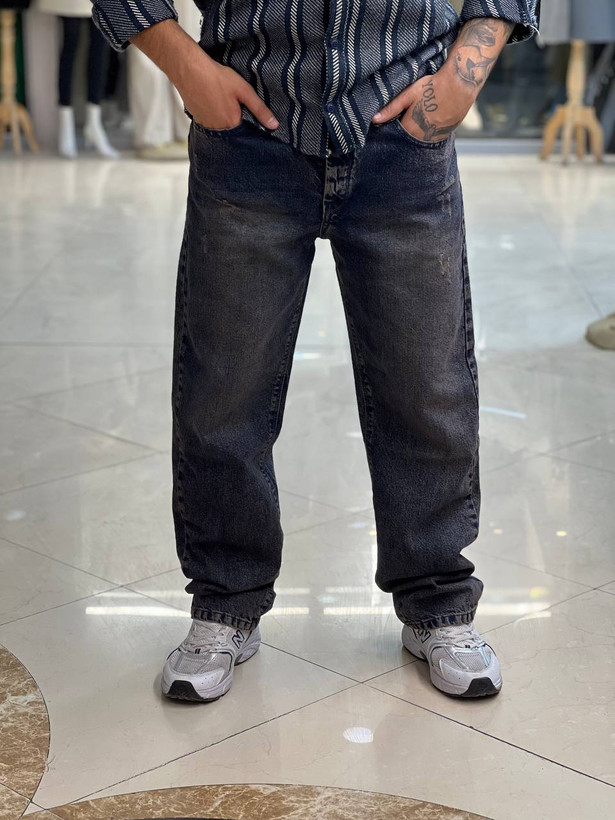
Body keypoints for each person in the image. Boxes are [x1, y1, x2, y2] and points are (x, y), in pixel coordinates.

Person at [90, 0, 538, 701]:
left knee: (426, 386)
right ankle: (225, 602)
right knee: (224, 389)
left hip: (403, 131)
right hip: (248, 128)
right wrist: (187, 68)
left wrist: (462, 76)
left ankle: (437, 604)